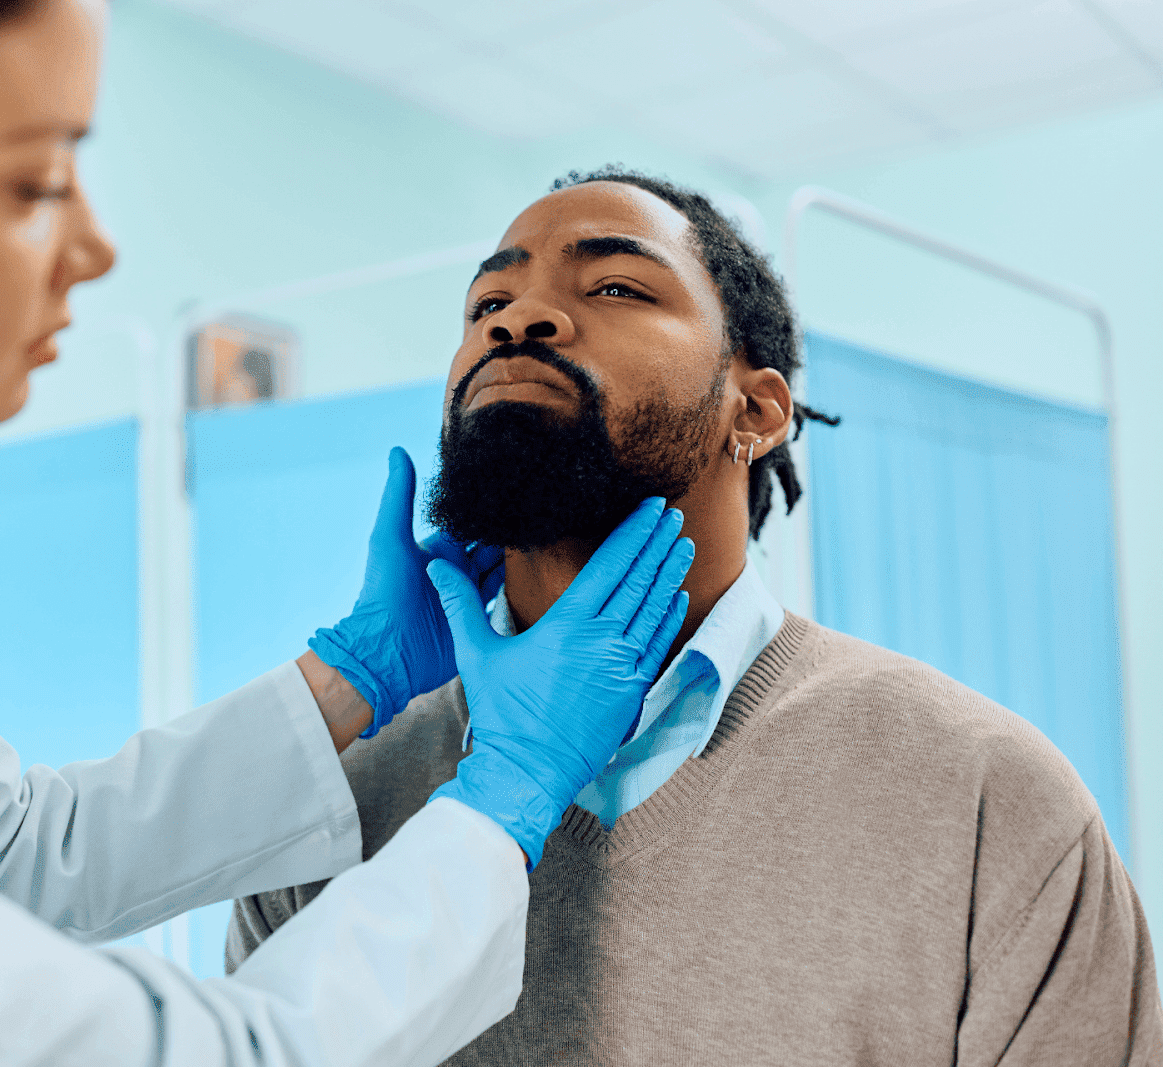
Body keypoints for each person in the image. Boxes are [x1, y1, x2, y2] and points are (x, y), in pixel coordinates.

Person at [0, 6, 699, 1065]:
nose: (98, 247)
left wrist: (349, 676)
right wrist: (506, 792)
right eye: (33, 182)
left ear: (762, 405)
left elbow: (20, 849)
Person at [227, 167, 1163, 1065]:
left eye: (617, 287)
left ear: (756, 410)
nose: (517, 319)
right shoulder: (336, 807)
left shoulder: (982, 792)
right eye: (486, 305)